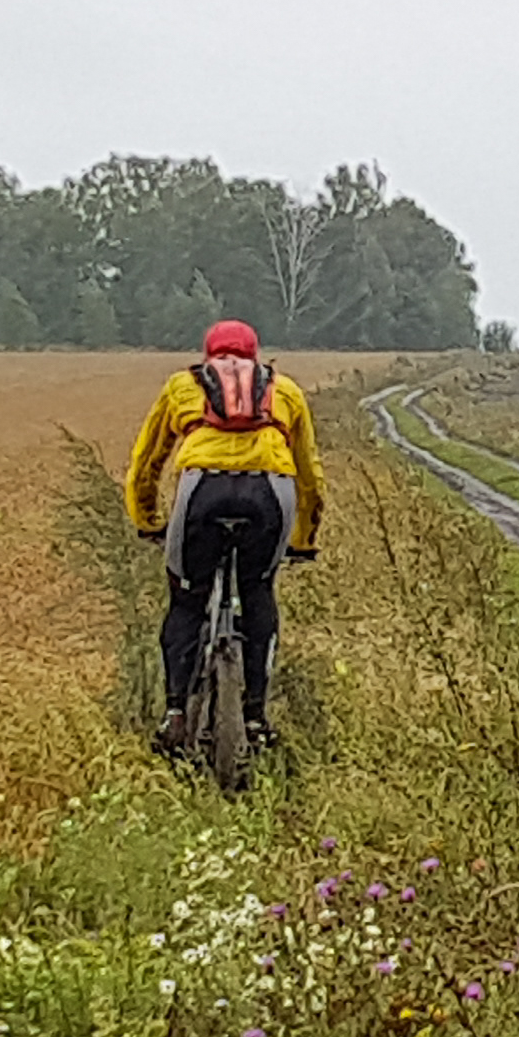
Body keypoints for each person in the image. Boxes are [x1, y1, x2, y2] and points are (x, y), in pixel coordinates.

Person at [122, 320, 324, 760]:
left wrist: (148, 520)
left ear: (207, 354)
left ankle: (175, 714)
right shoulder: (286, 391)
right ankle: (254, 718)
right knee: (258, 592)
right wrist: (304, 538)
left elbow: (146, 461)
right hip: (270, 493)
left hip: (203, 490)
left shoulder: (181, 386)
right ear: (255, 355)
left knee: (187, 598)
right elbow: (309, 473)